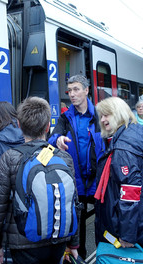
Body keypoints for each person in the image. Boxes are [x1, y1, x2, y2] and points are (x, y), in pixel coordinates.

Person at [0, 97, 79, 264]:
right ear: (47, 127)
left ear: (19, 126)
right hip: (58, 239)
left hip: (23, 242)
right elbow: (73, 202)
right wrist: (73, 243)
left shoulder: (10, 158)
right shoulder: (64, 157)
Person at [48, 75, 105, 258]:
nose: (72, 94)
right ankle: (79, 258)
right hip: (76, 182)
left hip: (97, 182)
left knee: (102, 225)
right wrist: (58, 139)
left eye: (76, 89)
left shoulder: (99, 115)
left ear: (86, 90)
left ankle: (103, 257)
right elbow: (50, 140)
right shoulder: (65, 117)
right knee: (76, 227)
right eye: (69, 90)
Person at [94, 97, 143, 249]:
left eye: (107, 115)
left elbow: (129, 193)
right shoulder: (136, 133)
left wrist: (127, 235)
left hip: (133, 229)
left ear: (118, 113)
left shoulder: (123, 148)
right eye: (101, 116)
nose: (103, 120)